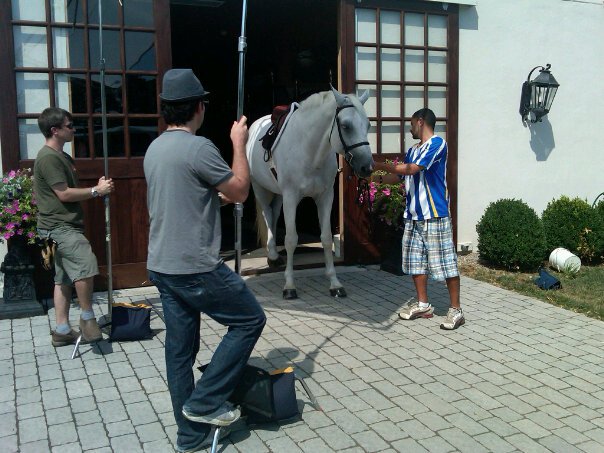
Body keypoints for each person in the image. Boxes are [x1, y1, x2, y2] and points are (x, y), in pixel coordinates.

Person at [144, 68, 266, 452]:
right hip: (195, 267)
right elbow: (241, 190)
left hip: (161, 265)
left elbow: (187, 196)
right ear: (198, 107)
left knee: (180, 353)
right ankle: (205, 401)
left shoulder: (155, 148)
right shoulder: (199, 148)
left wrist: (214, 199)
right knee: (249, 320)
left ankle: (190, 436)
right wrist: (239, 143)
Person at [373, 108, 464, 330]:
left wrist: (380, 164)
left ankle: (456, 310)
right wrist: (375, 177)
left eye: (412, 124)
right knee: (415, 262)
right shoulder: (413, 150)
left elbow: (412, 169)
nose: (410, 128)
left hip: (435, 215)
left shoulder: (438, 144)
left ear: (421, 122)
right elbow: (399, 176)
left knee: (446, 264)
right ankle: (423, 304)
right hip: (413, 216)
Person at [33, 107, 115, 347]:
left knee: (63, 278)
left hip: (54, 227)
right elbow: (64, 194)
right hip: (60, 227)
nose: (74, 129)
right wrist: (96, 191)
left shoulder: (63, 157)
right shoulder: (48, 158)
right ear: (55, 130)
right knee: (86, 266)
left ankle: (61, 330)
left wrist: (96, 188)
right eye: (69, 126)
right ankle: (87, 319)